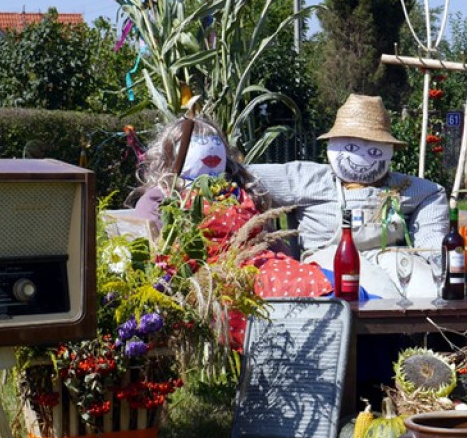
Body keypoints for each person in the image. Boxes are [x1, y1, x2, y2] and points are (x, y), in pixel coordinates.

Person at [247, 94, 449, 299]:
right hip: (328, 258)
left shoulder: (406, 187)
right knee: (377, 295)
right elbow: (245, 175)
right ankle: (390, 329)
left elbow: (432, 203)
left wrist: (435, 252)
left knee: (431, 291)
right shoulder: (309, 178)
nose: (362, 157)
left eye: (374, 150)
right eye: (352, 148)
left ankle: (430, 328)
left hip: (388, 255)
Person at [129, 115, 332, 301]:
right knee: (320, 288)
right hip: (213, 280)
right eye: (197, 142)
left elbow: (268, 240)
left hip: (264, 269)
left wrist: (288, 263)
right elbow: (154, 253)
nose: (210, 150)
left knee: (335, 284)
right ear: (172, 153)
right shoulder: (163, 197)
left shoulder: (237, 192)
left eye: (216, 142)